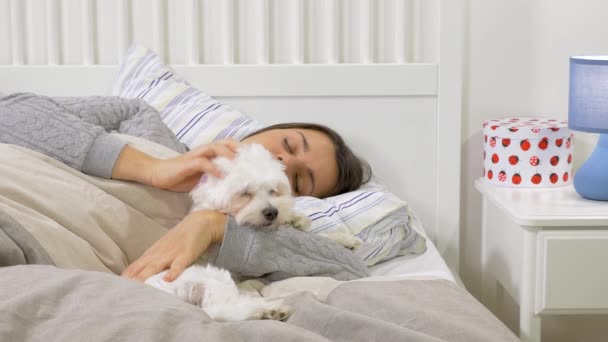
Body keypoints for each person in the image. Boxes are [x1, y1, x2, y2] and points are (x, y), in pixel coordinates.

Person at [0, 93, 371, 282]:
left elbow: (352, 271)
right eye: (289, 146)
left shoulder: (265, 228)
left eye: (296, 181)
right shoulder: (142, 121)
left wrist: (212, 226)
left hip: (33, 253)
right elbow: (10, 112)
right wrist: (153, 168)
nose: (282, 163)